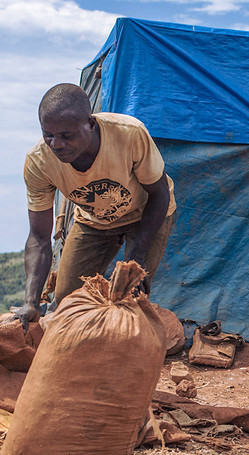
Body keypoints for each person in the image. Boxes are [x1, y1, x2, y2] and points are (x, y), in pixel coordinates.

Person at [13, 83, 176, 326]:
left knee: (130, 295)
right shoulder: (39, 162)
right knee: (67, 299)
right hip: (94, 220)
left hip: (145, 211)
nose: (56, 144)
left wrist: (136, 258)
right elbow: (38, 237)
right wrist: (31, 302)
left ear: (90, 124)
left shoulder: (129, 134)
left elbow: (159, 194)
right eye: (48, 135)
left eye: (66, 135)